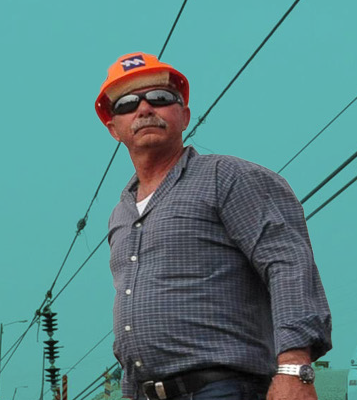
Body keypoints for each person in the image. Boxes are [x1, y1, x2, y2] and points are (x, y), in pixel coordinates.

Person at [96, 52, 332, 400]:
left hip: (223, 388)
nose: (144, 109)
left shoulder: (228, 178)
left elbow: (288, 263)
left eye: (160, 98)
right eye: (128, 103)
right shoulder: (121, 215)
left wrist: (294, 368)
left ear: (185, 115)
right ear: (113, 127)